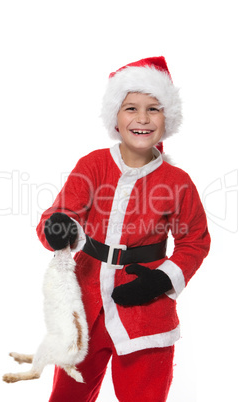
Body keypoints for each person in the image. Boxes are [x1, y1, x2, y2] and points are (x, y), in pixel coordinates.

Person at [36, 56, 211, 402]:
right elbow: (61, 212)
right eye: (131, 108)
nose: (142, 119)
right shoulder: (94, 165)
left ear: (168, 118)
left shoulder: (177, 183)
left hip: (146, 314)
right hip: (85, 307)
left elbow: (195, 240)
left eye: (154, 109)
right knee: (67, 396)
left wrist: (163, 279)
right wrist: (58, 228)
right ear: (115, 116)